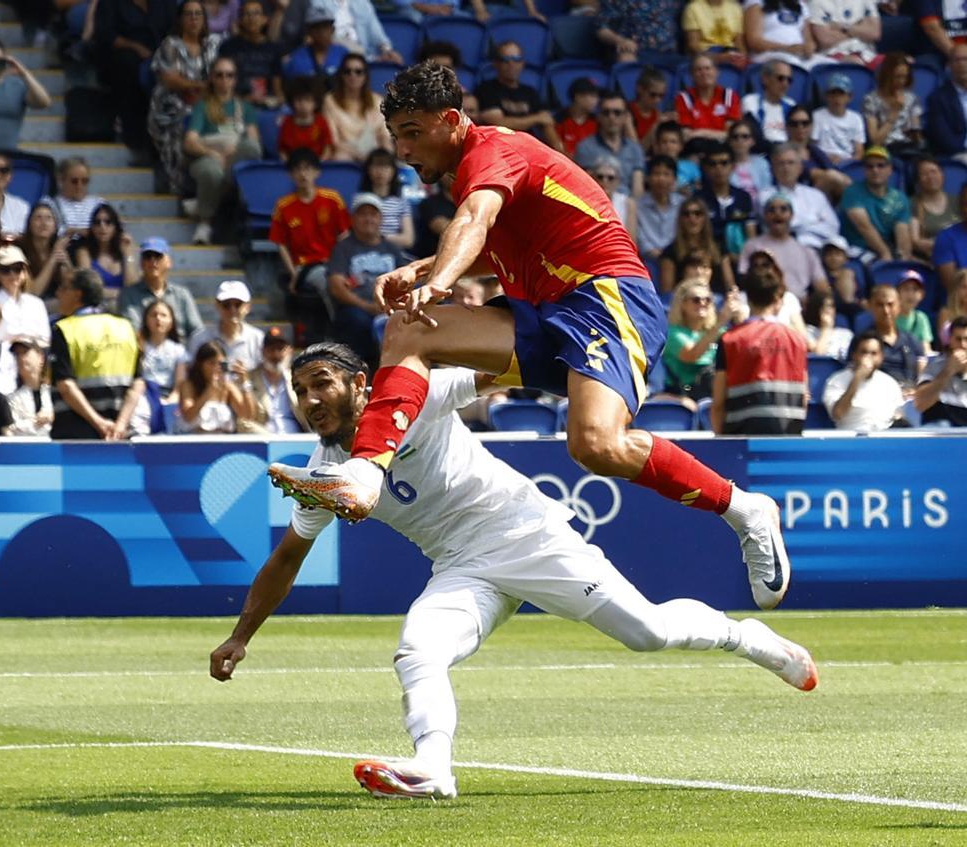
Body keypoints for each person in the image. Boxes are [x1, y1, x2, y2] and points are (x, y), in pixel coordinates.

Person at [267, 62, 796, 612]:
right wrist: (424, 271)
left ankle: (744, 510)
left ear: (451, 121)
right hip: (544, 311)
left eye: (412, 133)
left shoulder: (492, 155)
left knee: (595, 445)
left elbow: (474, 221)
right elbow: (494, 244)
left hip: (605, 300)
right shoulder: (472, 173)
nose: (402, 149)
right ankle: (363, 473)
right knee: (409, 330)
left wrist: (440, 280)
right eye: (396, 135)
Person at [211, 343, 818, 800]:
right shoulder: (327, 474)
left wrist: (592, 375)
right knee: (417, 650)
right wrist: (241, 635)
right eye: (300, 390)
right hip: (460, 567)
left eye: (322, 384)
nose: (311, 400)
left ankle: (748, 637)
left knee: (649, 632)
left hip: (526, 535)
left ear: (361, 384)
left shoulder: (419, 393)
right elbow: (287, 557)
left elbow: (512, 367)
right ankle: (433, 770)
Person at [47, 268, 144, 440]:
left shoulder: (64, 329)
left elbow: (66, 386)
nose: (57, 293)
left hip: (75, 434)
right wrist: (120, 425)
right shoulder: (126, 327)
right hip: (118, 434)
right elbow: (138, 384)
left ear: (78, 294)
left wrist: (99, 423)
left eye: (63, 288)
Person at [710, 266, 807, 434]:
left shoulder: (730, 340)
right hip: (788, 438)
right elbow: (804, 398)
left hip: (741, 440)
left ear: (747, 299)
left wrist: (721, 441)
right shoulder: (797, 341)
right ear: (778, 298)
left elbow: (718, 403)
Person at [183, 56, 263, 245]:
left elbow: (253, 141)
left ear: (235, 79)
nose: (224, 80)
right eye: (219, 75)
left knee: (251, 148)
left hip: (234, 157)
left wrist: (231, 152)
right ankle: (204, 223)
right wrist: (213, 154)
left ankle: (202, 203)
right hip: (209, 156)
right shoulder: (202, 106)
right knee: (212, 170)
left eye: (229, 75)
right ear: (212, 78)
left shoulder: (245, 108)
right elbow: (190, 141)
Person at [269, 148, 351, 332]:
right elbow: (280, 243)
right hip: (304, 267)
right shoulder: (283, 206)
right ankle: (340, 329)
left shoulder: (333, 199)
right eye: (297, 169)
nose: (303, 174)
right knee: (327, 281)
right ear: (291, 174)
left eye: (307, 168)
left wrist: (340, 264)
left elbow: (345, 235)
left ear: (317, 172)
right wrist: (294, 274)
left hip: (335, 263)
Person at [147, 0, 224, 190]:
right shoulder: (171, 44)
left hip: (205, 102)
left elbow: (221, 76)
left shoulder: (213, 44)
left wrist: (199, 89)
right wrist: (200, 85)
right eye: (188, 14)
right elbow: (171, 80)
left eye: (198, 14)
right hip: (171, 103)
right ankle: (178, 183)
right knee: (182, 117)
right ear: (180, 19)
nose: (194, 18)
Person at [326, 192, 404, 369]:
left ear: (380, 219)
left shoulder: (392, 249)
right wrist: (368, 307)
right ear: (353, 219)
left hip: (390, 309)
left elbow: (405, 282)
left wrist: (389, 307)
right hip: (358, 309)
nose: (368, 219)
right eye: (362, 214)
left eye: (373, 214)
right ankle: (358, 370)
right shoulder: (343, 248)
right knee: (355, 320)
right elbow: (337, 286)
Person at [92, 0, 173, 164]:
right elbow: (106, 35)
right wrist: (136, 47)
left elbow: (173, 31)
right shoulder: (111, 3)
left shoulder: (165, 4)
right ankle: (136, 142)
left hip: (160, 55)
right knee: (129, 68)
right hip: (123, 56)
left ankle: (166, 147)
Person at [662, 277, 743, 402]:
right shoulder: (674, 333)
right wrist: (721, 321)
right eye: (696, 300)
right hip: (683, 395)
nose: (703, 303)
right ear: (682, 304)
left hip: (714, 393)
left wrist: (740, 320)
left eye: (708, 300)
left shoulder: (719, 333)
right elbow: (692, 355)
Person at [474, 41, 563, 154]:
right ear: (496, 64)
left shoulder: (530, 92)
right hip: (498, 149)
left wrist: (560, 151)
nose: (511, 64)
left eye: (516, 59)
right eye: (505, 59)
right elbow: (499, 123)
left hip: (528, 149)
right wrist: (535, 118)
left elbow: (546, 122)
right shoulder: (487, 89)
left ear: (522, 63)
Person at [739, 194, 826, 299]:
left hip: (800, 304)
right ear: (765, 216)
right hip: (765, 302)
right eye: (772, 210)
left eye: (783, 209)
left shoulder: (806, 251)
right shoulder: (752, 246)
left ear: (791, 215)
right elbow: (745, 278)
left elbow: (821, 284)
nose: (777, 214)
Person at [118, 237, 204, 342]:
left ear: (169, 262)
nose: (152, 261)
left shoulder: (182, 294)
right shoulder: (129, 295)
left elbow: (197, 331)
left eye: (158, 256)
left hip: (181, 353)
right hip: (144, 352)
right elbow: (133, 329)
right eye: (147, 256)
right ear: (141, 263)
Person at [839, 146, 912, 263]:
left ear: (890, 170)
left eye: (881, 165)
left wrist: (903, 259)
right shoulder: (852, 192)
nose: (875, 170)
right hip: (855, 248)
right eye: (870, 166)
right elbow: (864, 227)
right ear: (864, 170)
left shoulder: (900, 198)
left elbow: (902, 233)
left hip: (887, 247)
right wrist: (885, 254)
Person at [822, 329, 905, 431]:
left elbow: (900, 415)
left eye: (874, 353)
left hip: (884, 438)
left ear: (881, 357)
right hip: (850, 438)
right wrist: (857, 379)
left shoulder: (890, 384)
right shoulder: (837, 380)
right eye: (864, 352)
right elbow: (838, 414)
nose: (868, 358)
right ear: (854, 355)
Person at [767, 141, 839, 249]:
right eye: (781, 163)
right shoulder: (766, 196)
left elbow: (833, 227)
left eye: (790, 163)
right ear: (773, 169)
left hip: (824, 251)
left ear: (800, 168)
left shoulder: (816, 195)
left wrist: (799, 227)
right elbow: (781, 227)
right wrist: (815, 222)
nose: (786, 168)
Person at [188, 278, 265, 375]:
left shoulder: (257, 339)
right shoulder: (199, 338)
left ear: (248, 307)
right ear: (217, 305)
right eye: (226, 305)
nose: (232, 310)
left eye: (238, 305)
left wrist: (246, 378)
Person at [323, 52, 390, 163]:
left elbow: (384, 135)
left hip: (373, 152)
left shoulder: (377, 101)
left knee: (387, 150)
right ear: (341, 75)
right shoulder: (330, 101)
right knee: (340, 157)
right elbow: (333, 140)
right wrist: (359, 155)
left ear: (365, 76)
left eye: (358, 72)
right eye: (347, 71)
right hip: (345, 152)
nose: (352, 76)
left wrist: (382, 153)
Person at [177, 339, 256, 433]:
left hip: (223, 441)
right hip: (196, 440)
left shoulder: (227, 386)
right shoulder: (189, 385)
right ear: (200, 365)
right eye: (211, 363)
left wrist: (245, 383)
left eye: (220, 364)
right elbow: (188, 416)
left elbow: (247, 416)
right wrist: (208, 392)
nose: (216, 368)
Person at [575, 91, 644, 198]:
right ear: (599, 116)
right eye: (606, 112)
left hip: (628, 208)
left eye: (617, 112)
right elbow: (585, 188)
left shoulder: (634, 149)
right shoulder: (585, 147)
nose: (611, 117)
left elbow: (638, 190)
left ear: (625, 116)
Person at [218, 0, 285, 109]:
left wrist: (279, 98)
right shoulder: (228, 47)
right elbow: (222, 82)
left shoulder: (273, 49)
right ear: (240, 20)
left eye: (256, 13)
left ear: (265, 19)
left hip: (266, 103)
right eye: (247, 14)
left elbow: (277, 86)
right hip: (235, 102)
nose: (251, 18)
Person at [660, 195, 734, 293]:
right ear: (680, 219)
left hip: (717, 303)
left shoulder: (719, 248)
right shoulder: (670, 252)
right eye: (686, 214)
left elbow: (730, 286)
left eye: (697, 213)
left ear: (705, 218)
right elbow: (667, 293)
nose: (692, 218)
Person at [0, 240, 50, 353]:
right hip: (3, 357)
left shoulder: (36, 303)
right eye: (5, 270)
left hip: (34, 356)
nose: (12, 275)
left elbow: (45, 338)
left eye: (17, 269)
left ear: (25, 273)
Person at [697, 142, 756, 256]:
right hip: (708, 258)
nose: (719, 168)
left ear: (733, 166)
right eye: (712, 164)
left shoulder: (743, 197)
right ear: (705, 168)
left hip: (740, 258)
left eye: (724, 163)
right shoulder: (698, 199)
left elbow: (750, 235)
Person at [863, 53, 922, 156]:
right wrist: (892, 116)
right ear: (887, 75)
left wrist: (915, 133)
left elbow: (916, 136)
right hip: (885, 149)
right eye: (897, 76)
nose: (901, 81)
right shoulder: (871, 100)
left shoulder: (911, 98)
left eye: (904, 77)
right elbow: (875, 141)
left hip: (908, 148)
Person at [674, 54, 741, 145]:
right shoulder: (684, 98)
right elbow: (686, 135)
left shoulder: (729, 96)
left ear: (717, 72)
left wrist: (700, 133)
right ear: (692, 76)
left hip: (724, 149)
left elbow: (731, 134)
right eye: (699, 69)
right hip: (696, 150)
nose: (704, 73)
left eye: (707, 68)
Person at [247, 326, 303, 433]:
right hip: (261, 439)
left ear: (290, 351)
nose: (276, 354)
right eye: (271, 349)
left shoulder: (299, 378)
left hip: (296, 441)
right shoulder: (249, 378)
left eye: (280, 349)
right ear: (262, 351)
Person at [783, 104, 846, 198]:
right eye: (794, 124)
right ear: (787, 127)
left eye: (805, 123)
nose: (800, 127)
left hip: (822, 199)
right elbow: (815, 174)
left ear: (811, 126)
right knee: (832, 176)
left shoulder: (814, 150)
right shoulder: (783, 152)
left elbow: (835, 171)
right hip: (796, 198)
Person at [865, 282, 923, 387]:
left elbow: (923, 376)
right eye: (880, 305)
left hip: (911, 397)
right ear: (870, 307)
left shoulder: (912, 340)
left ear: (899, 306)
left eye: (890, 305)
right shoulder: (862, 342)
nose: (886, 311)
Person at [71, 203, 137, 292]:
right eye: (97, 223)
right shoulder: (84, 252)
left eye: (108, 222)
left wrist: (128, 254)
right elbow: (89, 290)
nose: (102, 227)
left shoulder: (126, 251)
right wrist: (122, 293)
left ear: (115, 227)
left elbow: (132, 286)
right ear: (92, 228)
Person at [915, 316, 967, 426]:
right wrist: (948, 371)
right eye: (958, 339)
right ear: (951, 341)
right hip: (942, 430)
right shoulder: (935, 367)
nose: (963, 345)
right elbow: (920, 404)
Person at [360, 147, 414, 250]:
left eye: (385, 167)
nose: (380, 172)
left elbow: (408, 239)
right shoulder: (360, 200)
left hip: (393, 253)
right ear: (368, 170)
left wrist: (378, 237)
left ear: (393, 171)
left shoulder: (401, 202)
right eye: (376, 166)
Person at [281, 2, 349, 83]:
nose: (322, 33)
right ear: (308, 31)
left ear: (332, 29)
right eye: (316, 28)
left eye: (325, 27)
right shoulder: (297, 57)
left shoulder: (343, 54)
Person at [744, 0, 822, 70]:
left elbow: (808, 39)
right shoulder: (756, 2)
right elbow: (754, 41)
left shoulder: (800, 5)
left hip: (799, 55)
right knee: (792, 63)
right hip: (768, 55)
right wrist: (787, 49)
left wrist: (809, 48)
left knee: (827, 66)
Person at [596, 0, 682, 63]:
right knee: (626, 59)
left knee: (691, 65)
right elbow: (601, 29)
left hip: (669, 52)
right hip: (635, 52)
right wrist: (620, 41)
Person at [16, 202, 70, 300]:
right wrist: (53, 258)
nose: (44, 223)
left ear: (55, 226)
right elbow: (34, 292)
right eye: (38, 218)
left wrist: (66, 263)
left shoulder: (59, 247)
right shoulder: (20, 250)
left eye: (48, 218)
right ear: (29, 224)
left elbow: (72, 286)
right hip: (29, 302)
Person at [138, 300, 188, 401]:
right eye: (153, 315)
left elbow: (179, 385)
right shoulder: (139, 346)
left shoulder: (178, 350)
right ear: (146, 320)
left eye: (163, 315)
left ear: (171, 322)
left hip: (167, 395)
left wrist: (172, 399)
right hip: (142, 395)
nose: (158, 318)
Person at [635, 155, 682, 262]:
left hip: (676, 258)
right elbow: (639, 236)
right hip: (647, 259)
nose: (661, 178)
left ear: (674, 179)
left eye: (666, 174)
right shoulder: (638, 205)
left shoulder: (682, 204)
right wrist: (656, 254)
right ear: (648, 178)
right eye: (656, 174)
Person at [812, 73, 865, 165]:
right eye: (833, 94)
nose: (836, 98)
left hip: (848, 163)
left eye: (841, 94)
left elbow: (859, 152)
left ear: (849, 97)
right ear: (826, 96)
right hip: (823, 161)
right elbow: (812, 145)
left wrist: (846, 162)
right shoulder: (817, 116)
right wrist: (824, 158)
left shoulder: (856, 118)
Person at [925, 44, 967, 162]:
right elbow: (944, 139)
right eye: (957, 60)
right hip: (960, 153)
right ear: (949, 66)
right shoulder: (938, 99)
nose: (962, 64)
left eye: (966, 59)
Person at [5, 336, 52, 437]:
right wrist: (38, 422)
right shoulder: (12, 399)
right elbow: (13, 427)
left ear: (40, 357)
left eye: (25, 352)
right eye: (17, 354)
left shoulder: (53, 393)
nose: (20, 358)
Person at [277, 75, 333, 161]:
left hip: (318, 167)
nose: (303, 104)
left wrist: (320, 163)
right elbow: (282, 150)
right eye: (299, 100)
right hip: (293, 168)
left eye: (308, 100)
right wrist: (288, 165)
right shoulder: (287, 123)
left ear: (316, 103)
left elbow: (327, 148)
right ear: (292, 102)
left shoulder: (322, 122)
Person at [741, 60, 796, 146]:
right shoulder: (750, 101)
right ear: (765, 79)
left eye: (789, 80)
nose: (785, 84)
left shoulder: (791, 104)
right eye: (780, 78)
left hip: (787, 150)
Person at [45, 157, 104, 237]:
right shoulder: (48, 205)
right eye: (74, 181)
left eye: (84, 181)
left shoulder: (99, 204)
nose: (79, 186)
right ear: (61, 180)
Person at [809, 0, 880, 66]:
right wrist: (858, 28)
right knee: (855, 64)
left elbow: (874, 33)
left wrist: (843, 27)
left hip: (867, 54)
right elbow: (825, 40)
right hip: (834, 55)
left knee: (889, 65)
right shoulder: (817, 2)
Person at [682, 0, 748, 65]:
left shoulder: (735, 7)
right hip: (707, 55)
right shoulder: (693, 8)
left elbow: (739, 42)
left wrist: (742, 58)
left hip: (731, 53)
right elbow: (693, 46)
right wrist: (718, 58)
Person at [727, 119, 772, 206]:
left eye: (745, 136)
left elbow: (767, 190)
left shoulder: (762, 163)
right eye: (735, 137)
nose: (740, 140)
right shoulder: (724, 164)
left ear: (752, 141)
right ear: (730, 141)